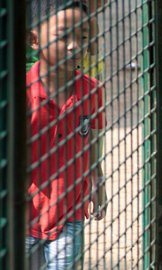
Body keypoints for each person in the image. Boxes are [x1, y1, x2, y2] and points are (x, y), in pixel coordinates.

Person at [25, 0, 107, 268]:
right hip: (22, 213)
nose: (75, 46)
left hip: (68, 210)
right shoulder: (20, 92)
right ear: (34, 40)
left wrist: (97, 181)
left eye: (82, 36)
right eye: (64, 37)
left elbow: (91, 141)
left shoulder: (92, 91)